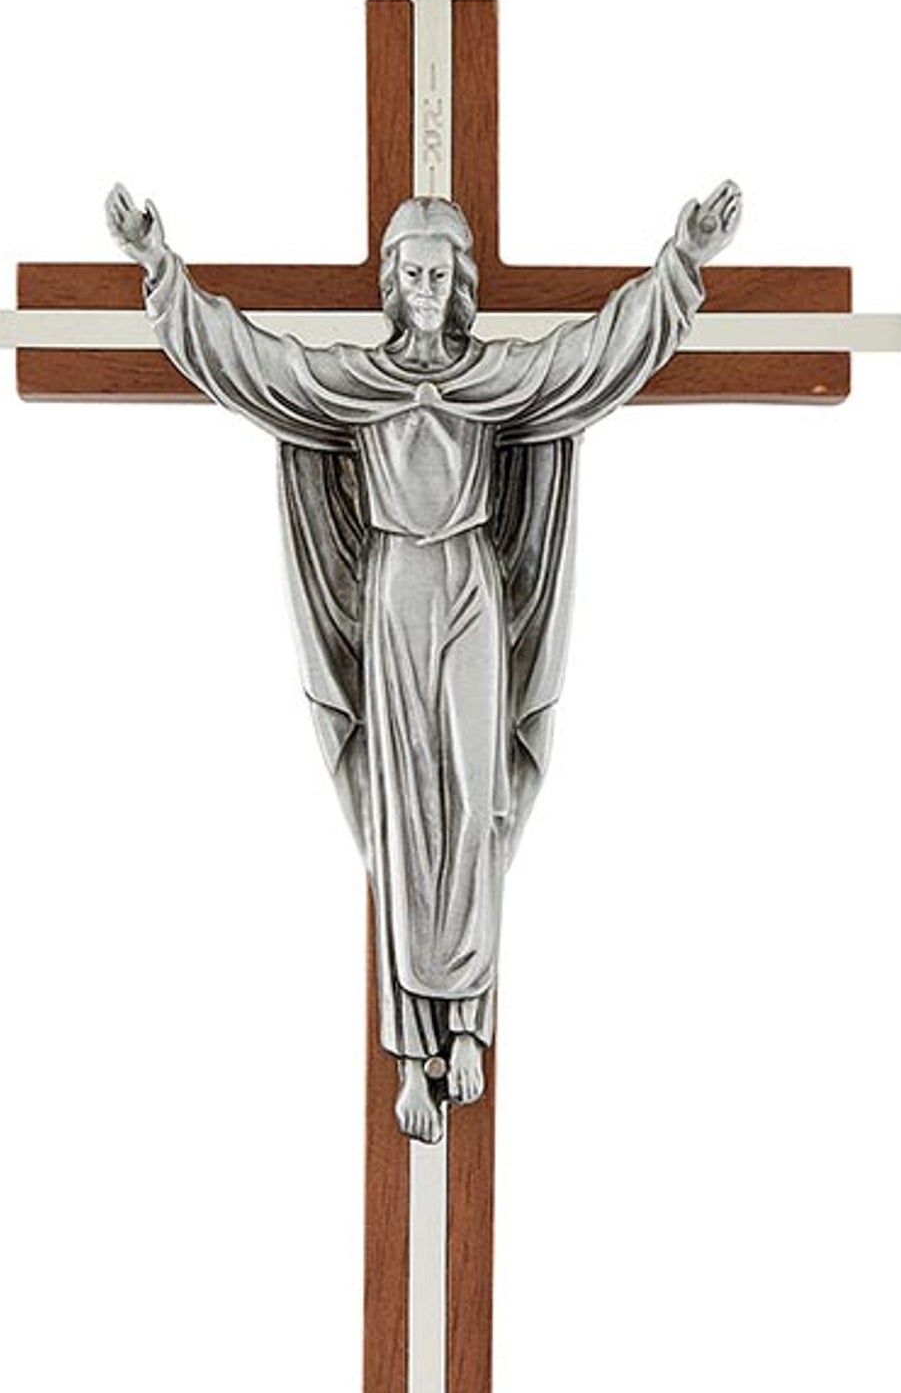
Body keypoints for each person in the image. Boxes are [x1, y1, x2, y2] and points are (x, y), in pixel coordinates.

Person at [106, 180, 743, 1139]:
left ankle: (471, 1025)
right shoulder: (356, 384)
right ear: (392, 285)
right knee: (405, 813)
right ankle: (412, 1050)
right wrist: (160, 266)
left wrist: (683, 260)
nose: (429, 290)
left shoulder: (495, 380)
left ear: (462, 283)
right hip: (397, 587)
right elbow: (251, 363)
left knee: (479, 802)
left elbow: (593, 356)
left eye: (442, 275)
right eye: (413, 275)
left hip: (473, 583)